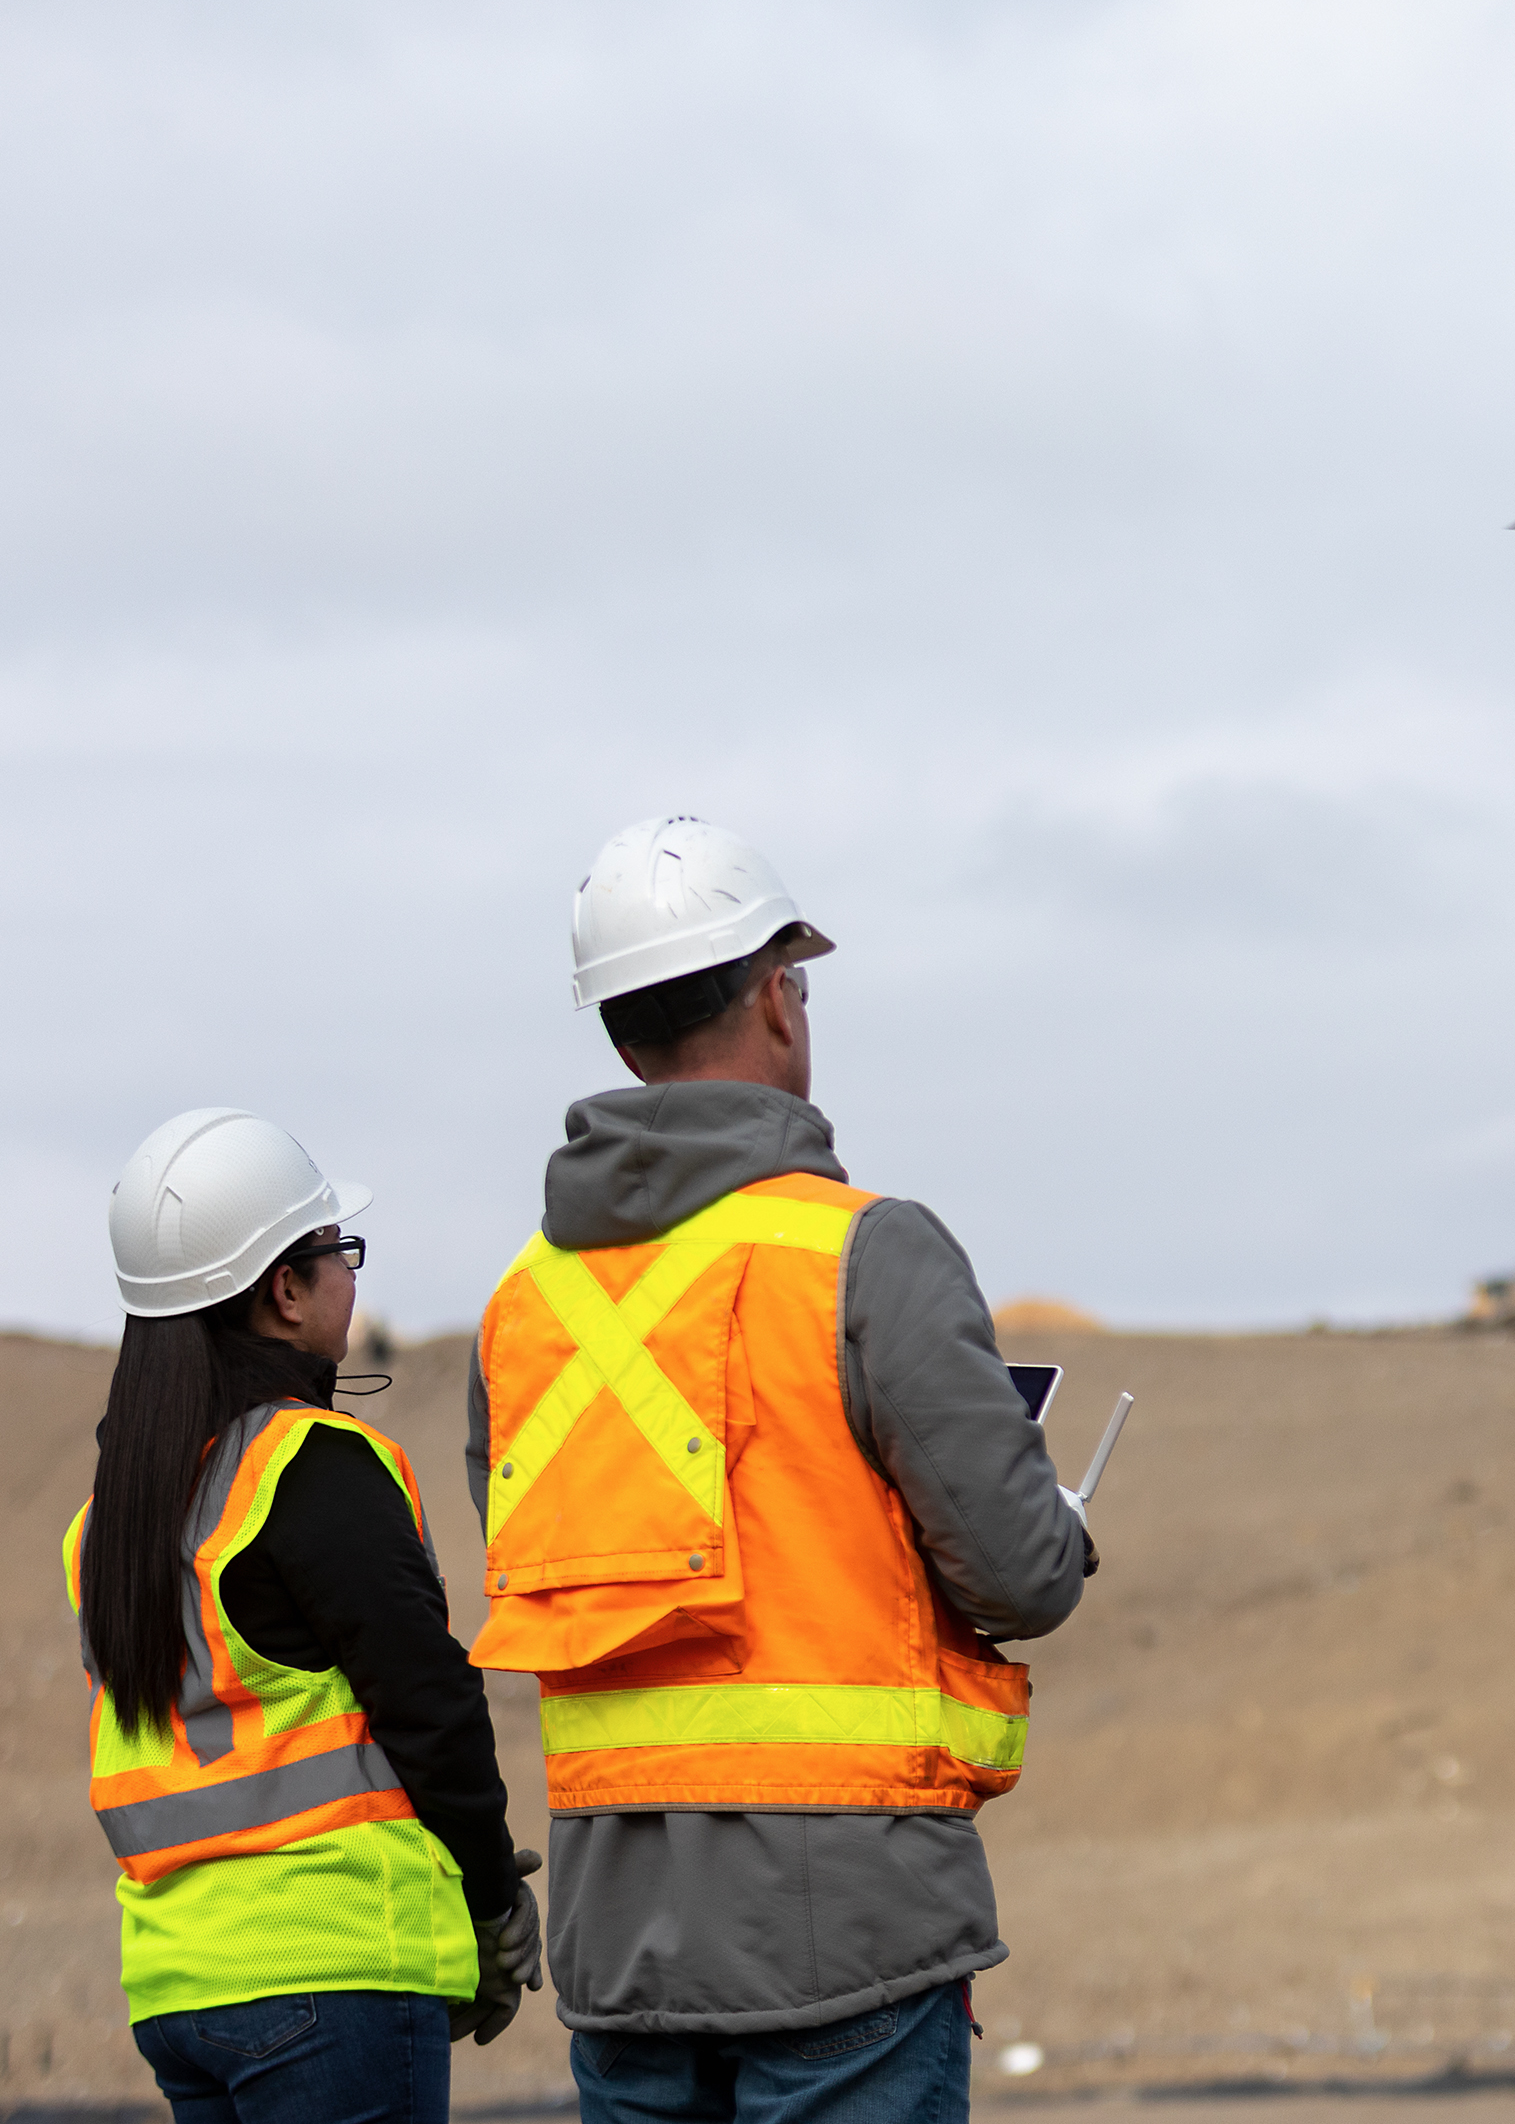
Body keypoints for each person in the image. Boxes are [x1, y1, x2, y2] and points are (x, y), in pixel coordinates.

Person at [468, 816, 1093, 2124]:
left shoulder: (521, 1312)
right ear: (773, 998)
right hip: (853, 1939)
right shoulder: (869, 1254)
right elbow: (1023, 1573)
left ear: (620, 1033)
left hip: (619, 1946)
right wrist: (1057, 1523)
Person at [68, 1107, 545, 2124]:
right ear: (285, 1290)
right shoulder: (310, 1469)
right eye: (340, 1252)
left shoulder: (111, 1521)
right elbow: (433, 1708)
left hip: (178, 1988)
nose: (352, 1277)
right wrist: (494, 1896)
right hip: (331, 1971)